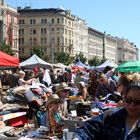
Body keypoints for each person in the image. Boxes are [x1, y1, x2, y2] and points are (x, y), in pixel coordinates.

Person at [72, 80, 140, 140]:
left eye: (137, 101)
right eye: (129, 100)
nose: (132, 105)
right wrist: (77, 138)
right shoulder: (111, 115)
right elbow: (88, 128)